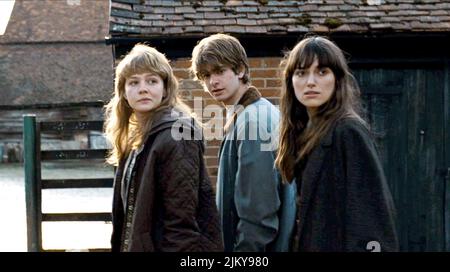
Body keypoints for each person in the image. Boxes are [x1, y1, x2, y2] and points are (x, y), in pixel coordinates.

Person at [275, 36, 399, 252]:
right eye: (301, 73)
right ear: (291, 80)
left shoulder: (348, 131)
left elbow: (372, 218)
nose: (310, 81)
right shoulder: (303, 133)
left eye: (322, 72)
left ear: (337, 79)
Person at [104, 44, 223, 252]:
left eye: (152, 81)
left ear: (165, 89)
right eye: (134, 82)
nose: (143, 88)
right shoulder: (137, 139)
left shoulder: (177, 137)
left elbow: (181, 227)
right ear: (123, 92)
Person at [190, 33, 296, 252]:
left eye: (220, 71)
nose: (213, 82)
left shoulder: (252, 121)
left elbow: (259, 215)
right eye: (206, 75)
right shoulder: (253, 113)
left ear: (240, 70)